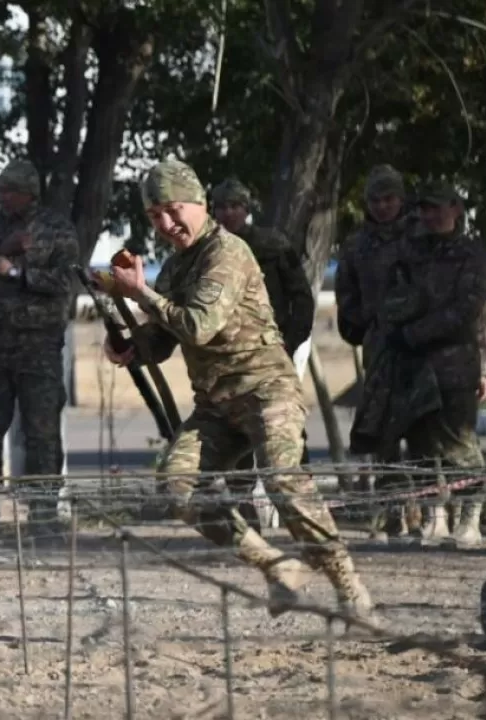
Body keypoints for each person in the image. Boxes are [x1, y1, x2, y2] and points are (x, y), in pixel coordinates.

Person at [105, 159, 372, 622]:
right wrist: (126, 342)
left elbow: (199, 325)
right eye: (154, 217)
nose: (167, 224)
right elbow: (165, 341)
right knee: (179, 487)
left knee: (284, 481)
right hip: (216, 406)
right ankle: (276, 565)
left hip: (266, 390)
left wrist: (141, 294)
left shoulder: (227, 252)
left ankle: (348, 585)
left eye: (173, 210)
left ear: (199, 203)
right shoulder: (175, 267)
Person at [350, 179, 486, 550]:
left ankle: (471, 519)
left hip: (454, 366)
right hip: (412, 365)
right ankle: (434, 517)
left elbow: (466, 310)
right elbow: (393, 298)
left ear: (456, 210)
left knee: (460, 445)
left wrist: (414, 332)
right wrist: (401, 327)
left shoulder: (471, 254)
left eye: (438, 207)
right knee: (423, 446)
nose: (431, 215)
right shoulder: (411, 253)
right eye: (425, 208)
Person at [0, 160, 78, 529]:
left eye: (9, 192)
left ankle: (43, 516)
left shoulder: (56, 230)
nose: (2, 198)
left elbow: (65, 282)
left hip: (38, 348)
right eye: (0, 191)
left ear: (28, 193)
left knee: (41, 433)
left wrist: (15, 272)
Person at [209, 178, 315, 528]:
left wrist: (290, 342)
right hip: (232, 358)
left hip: (274, 353)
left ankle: (300, 506)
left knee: (284, 427)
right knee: (240, 429)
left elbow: (301, 298)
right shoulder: (208, 249)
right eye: (221, 207)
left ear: (246, 209)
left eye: (234, 206)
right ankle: (243, 509)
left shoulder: (272, 246)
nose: (227, 214)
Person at [334, 165, 425, 541]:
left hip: (423, 347)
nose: (383, 206)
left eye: (389, 198)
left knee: (421, 431)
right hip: (380, 348)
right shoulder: (357, 246)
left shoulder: (424, 237)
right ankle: (391, 517)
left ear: (401, 199)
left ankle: (421, 515)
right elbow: (346, 297)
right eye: (375, 200)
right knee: (384, 432)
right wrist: (364, 323)